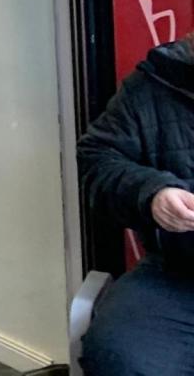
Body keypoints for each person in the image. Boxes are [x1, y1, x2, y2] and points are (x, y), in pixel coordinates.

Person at [77, 32, 194, 375]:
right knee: (120, 354)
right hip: (176, 276)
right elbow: (97, 160)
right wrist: (152, 194)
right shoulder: (154, 84)